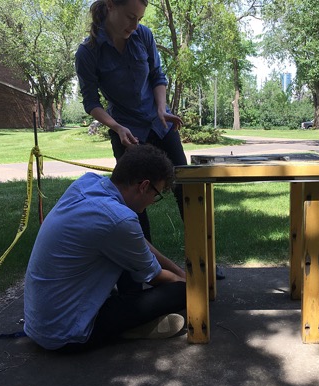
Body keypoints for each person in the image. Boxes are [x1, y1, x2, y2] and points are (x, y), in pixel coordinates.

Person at [74, 0, 225, 279]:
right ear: (110, 7)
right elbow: (91, 102)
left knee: (186, 191)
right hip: (127, 132)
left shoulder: (143, 35)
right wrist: (117, 127)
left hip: (161, 126)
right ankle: (146, 272)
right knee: (134, 202)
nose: (134, 25)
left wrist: (160, 108)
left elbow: (158, 75)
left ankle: (202, 263)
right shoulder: (88, 52)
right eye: (130, 17)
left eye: (139, 18)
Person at [24, 145, 186, 353]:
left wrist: (180, 272)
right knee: (183, 293)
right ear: (144, 186)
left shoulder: (87, 184)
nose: (153, 202)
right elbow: (154, 276)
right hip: (66, 335)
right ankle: (123, 329)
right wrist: (186, 283)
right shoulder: (119, 220)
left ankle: (126, 324)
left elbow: (139, 245)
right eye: (156, 194)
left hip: (43, 323)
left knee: (136, 264)